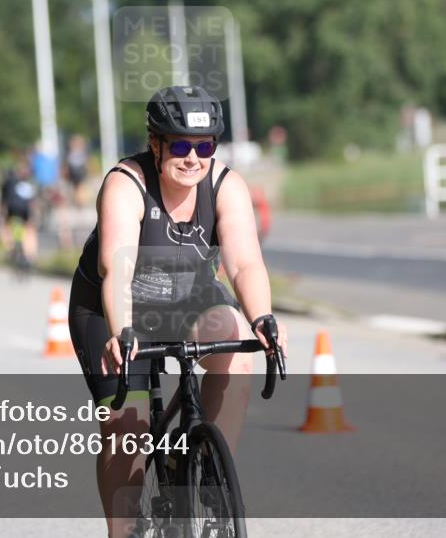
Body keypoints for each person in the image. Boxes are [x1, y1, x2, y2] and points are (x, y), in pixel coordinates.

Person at [68, 85, 289, 537]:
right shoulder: (126, 183)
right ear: (156, 144)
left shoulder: (226, 185)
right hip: (114, 306)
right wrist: (122, 330)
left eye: (204, 146)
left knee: (236, 352)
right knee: (128, 425)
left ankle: (206, 471)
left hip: (188, 295)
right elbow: (117, 267)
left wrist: (263, 318)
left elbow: (245, 263)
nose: (193, 158)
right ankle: (125, 530)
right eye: (181, 146)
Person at [0, 158, 38, 265]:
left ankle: (10, 249)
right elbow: (32, 203)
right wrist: (32, 216)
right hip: (25, 210)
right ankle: (30, 255)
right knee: (29, 230)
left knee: (7, 228)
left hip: (12, 210)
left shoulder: (7, 182)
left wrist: (3, 215)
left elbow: (4, 201)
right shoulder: (29, 183)